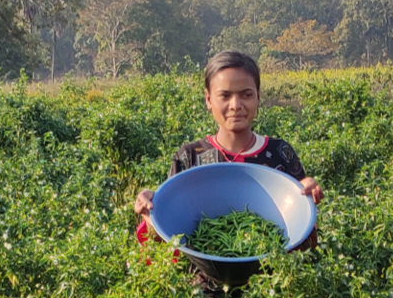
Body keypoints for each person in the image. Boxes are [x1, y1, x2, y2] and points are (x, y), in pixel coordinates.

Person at [131, 50, 323, 224]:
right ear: (208, 99)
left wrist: (307, 194)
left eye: (246, 95)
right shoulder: (189, 157)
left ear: (258, 97)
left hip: (269, 263)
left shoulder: (280, 153)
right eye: (225, 96)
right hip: (203, 264)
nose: (236, 105)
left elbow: (302, 233)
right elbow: (171, 233)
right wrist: (151, 212)